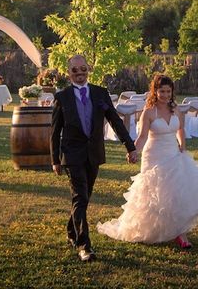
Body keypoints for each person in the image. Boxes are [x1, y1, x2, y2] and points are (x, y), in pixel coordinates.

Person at [97, 74, 198, 248]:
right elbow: (142, 137)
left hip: (173, 154)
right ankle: (152, 229)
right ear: (155, 92)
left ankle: (180, 234)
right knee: (155, 195)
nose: (165, 95)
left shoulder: (176, 109)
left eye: (168, 91)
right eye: (162, 91)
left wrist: (182, 146)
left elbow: (180, 129)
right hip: (154, 156)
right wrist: (134, 151)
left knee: (175, 194)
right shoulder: (148, 112)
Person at [51, 54, 138, 262]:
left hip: (94, 154)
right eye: (75, 70)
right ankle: (84, 246)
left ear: (88, 69)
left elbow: (115, 121)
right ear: (68, 72)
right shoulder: (62, 97)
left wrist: (130, 146)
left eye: (83, 69)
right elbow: (55, 131)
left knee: (83, 198)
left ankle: (71, 232)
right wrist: (55, 159)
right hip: (72, 155)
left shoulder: (100, 93)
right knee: (80, 198)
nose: (79, 73)